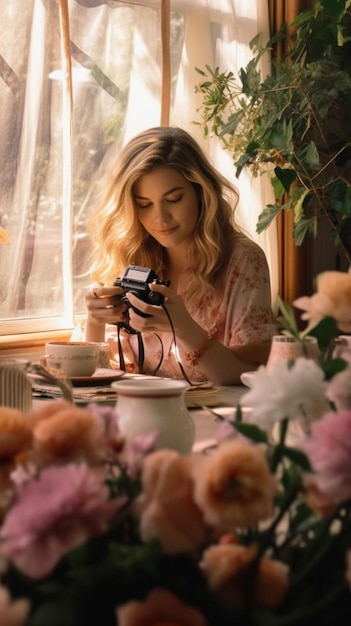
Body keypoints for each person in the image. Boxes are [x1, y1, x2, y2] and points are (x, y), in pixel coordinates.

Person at [84, 126, 277, 385]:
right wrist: (94, 321)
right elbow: (95, 378)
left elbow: (248, 379)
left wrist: (184, 328)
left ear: (201, 191)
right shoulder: (129, 256)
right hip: (134, 415)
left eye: (174, 199)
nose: (160, 218)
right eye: (144, 205)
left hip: (213, 420)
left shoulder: (242, 260)